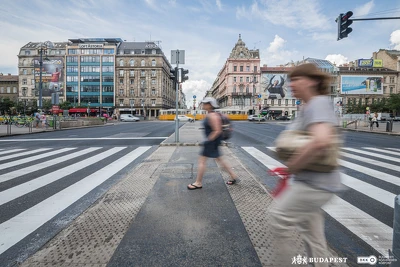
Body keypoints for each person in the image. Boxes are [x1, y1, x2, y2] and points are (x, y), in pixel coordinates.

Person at [269, 63, 342, 267]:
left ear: (312, 81)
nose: (291, 84)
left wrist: (293, 165)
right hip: (313, 181)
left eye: (296, 79)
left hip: (315, 184)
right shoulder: (307, 106)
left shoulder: (318, 103)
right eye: (290, 80)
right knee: (314, 237)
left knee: (278, 217)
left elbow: (321, 141)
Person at [187, 97, 238, 190]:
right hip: (214, 141)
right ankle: (233, 176)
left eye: (205, 103)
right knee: (219, 159)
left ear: (210, 105)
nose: (203, 105)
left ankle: (198, 182)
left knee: (202, 161)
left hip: (212, 141)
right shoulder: (212, 114)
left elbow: (217, 130)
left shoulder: (212, 116)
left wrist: (208, 140)